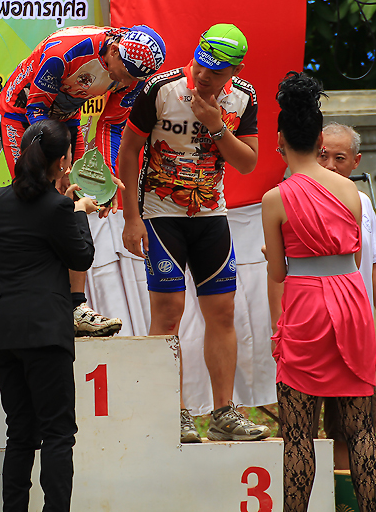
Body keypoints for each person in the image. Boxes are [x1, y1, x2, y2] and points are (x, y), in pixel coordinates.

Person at [118, 23, 270, 443]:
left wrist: (216, 126)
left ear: (235, 71)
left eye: (215, 72)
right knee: (168, 312)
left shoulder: (244, 97)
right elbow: (128, 150)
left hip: (210, 215)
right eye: (200, 64)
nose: (203, 76)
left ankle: (224, 413)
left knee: (222, 313)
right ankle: (171, 411)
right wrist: (131, 217)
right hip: (160, 213)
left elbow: (247, 163)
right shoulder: (161, 88)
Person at [0, 24, 167, 337]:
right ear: (114, 51)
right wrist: (59, 167)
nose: (126, 83)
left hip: (66, 116)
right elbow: (36, 109)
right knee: (37, 199)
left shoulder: (134, 71)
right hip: (23, 114)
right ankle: (33, 299)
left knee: (78, 197)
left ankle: (76, 306)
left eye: (133, 79)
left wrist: (103, 176)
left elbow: (111, 125)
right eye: (124, 74)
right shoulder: (65, 51)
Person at [262, 73, 376, 512]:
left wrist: (276, 254)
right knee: (360, 430)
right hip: (351, 301)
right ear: (318, 140)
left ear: (279, 141)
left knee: (298, 434)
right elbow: (355, 253)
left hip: (307, 304)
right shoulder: (351, 190)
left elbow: (277, 272)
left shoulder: (275, 198)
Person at [0, 119, 99, 512]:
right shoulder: (59, 207)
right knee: (58, 433)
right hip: (44, 329)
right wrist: (78, 211)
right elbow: (81, 256)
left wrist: (63, 203)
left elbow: (32, 219)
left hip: (2, 327)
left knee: (21, 432)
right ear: (63, 162)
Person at [316, 122, 376, 470]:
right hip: (313, 325)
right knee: (302, 423)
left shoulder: (362, 203)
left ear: (356, 161)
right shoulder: (293, 198)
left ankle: (346, 491)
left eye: (340, 158)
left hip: (355, 329)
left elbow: (374, 266)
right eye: (323, 156)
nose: (331, 165)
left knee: (350, 424)